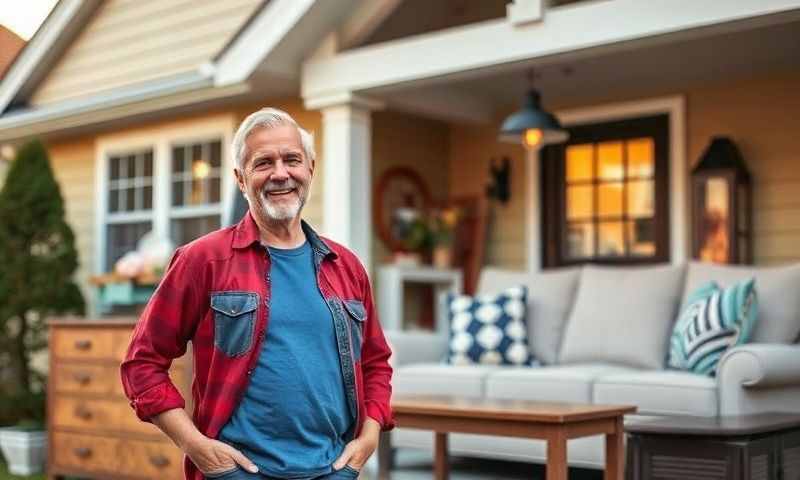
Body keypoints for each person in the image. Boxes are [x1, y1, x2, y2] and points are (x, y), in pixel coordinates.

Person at [121, 108, 394, 480]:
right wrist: (195, 446)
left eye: (291, 160)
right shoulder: (204, 260)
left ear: (310, 168)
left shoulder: (345, 265)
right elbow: (142, 365)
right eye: (263, 162)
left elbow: (374, 362)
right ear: (240, 178)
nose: (280, 173)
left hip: (334, 470)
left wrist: (369, 438)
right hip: (240, 473)